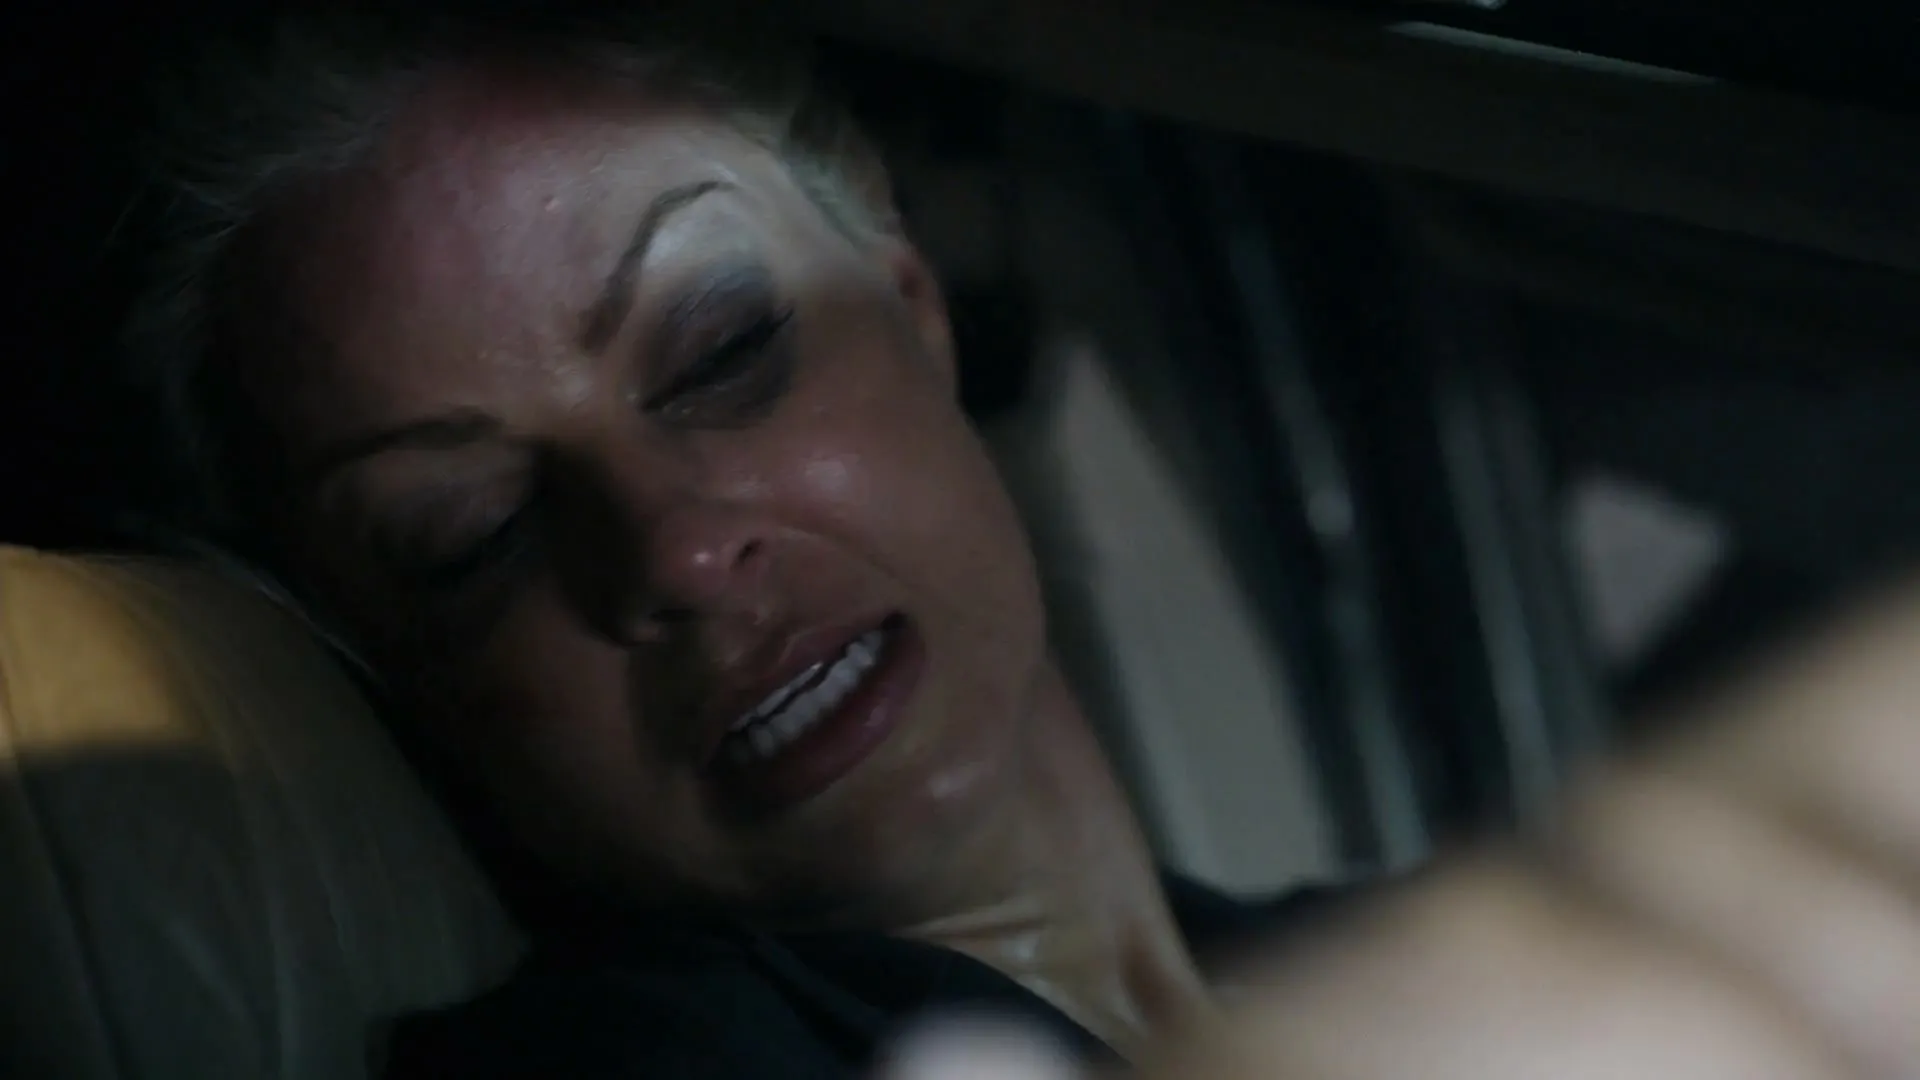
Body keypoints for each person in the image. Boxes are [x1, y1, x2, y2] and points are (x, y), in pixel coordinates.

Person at [125, 6, 1920, 1079]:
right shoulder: (621, 1067)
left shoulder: (1400, 929)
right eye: (475, 535)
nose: (669, 552)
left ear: (911, 300)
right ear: (393, 677)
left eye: (723, 349)